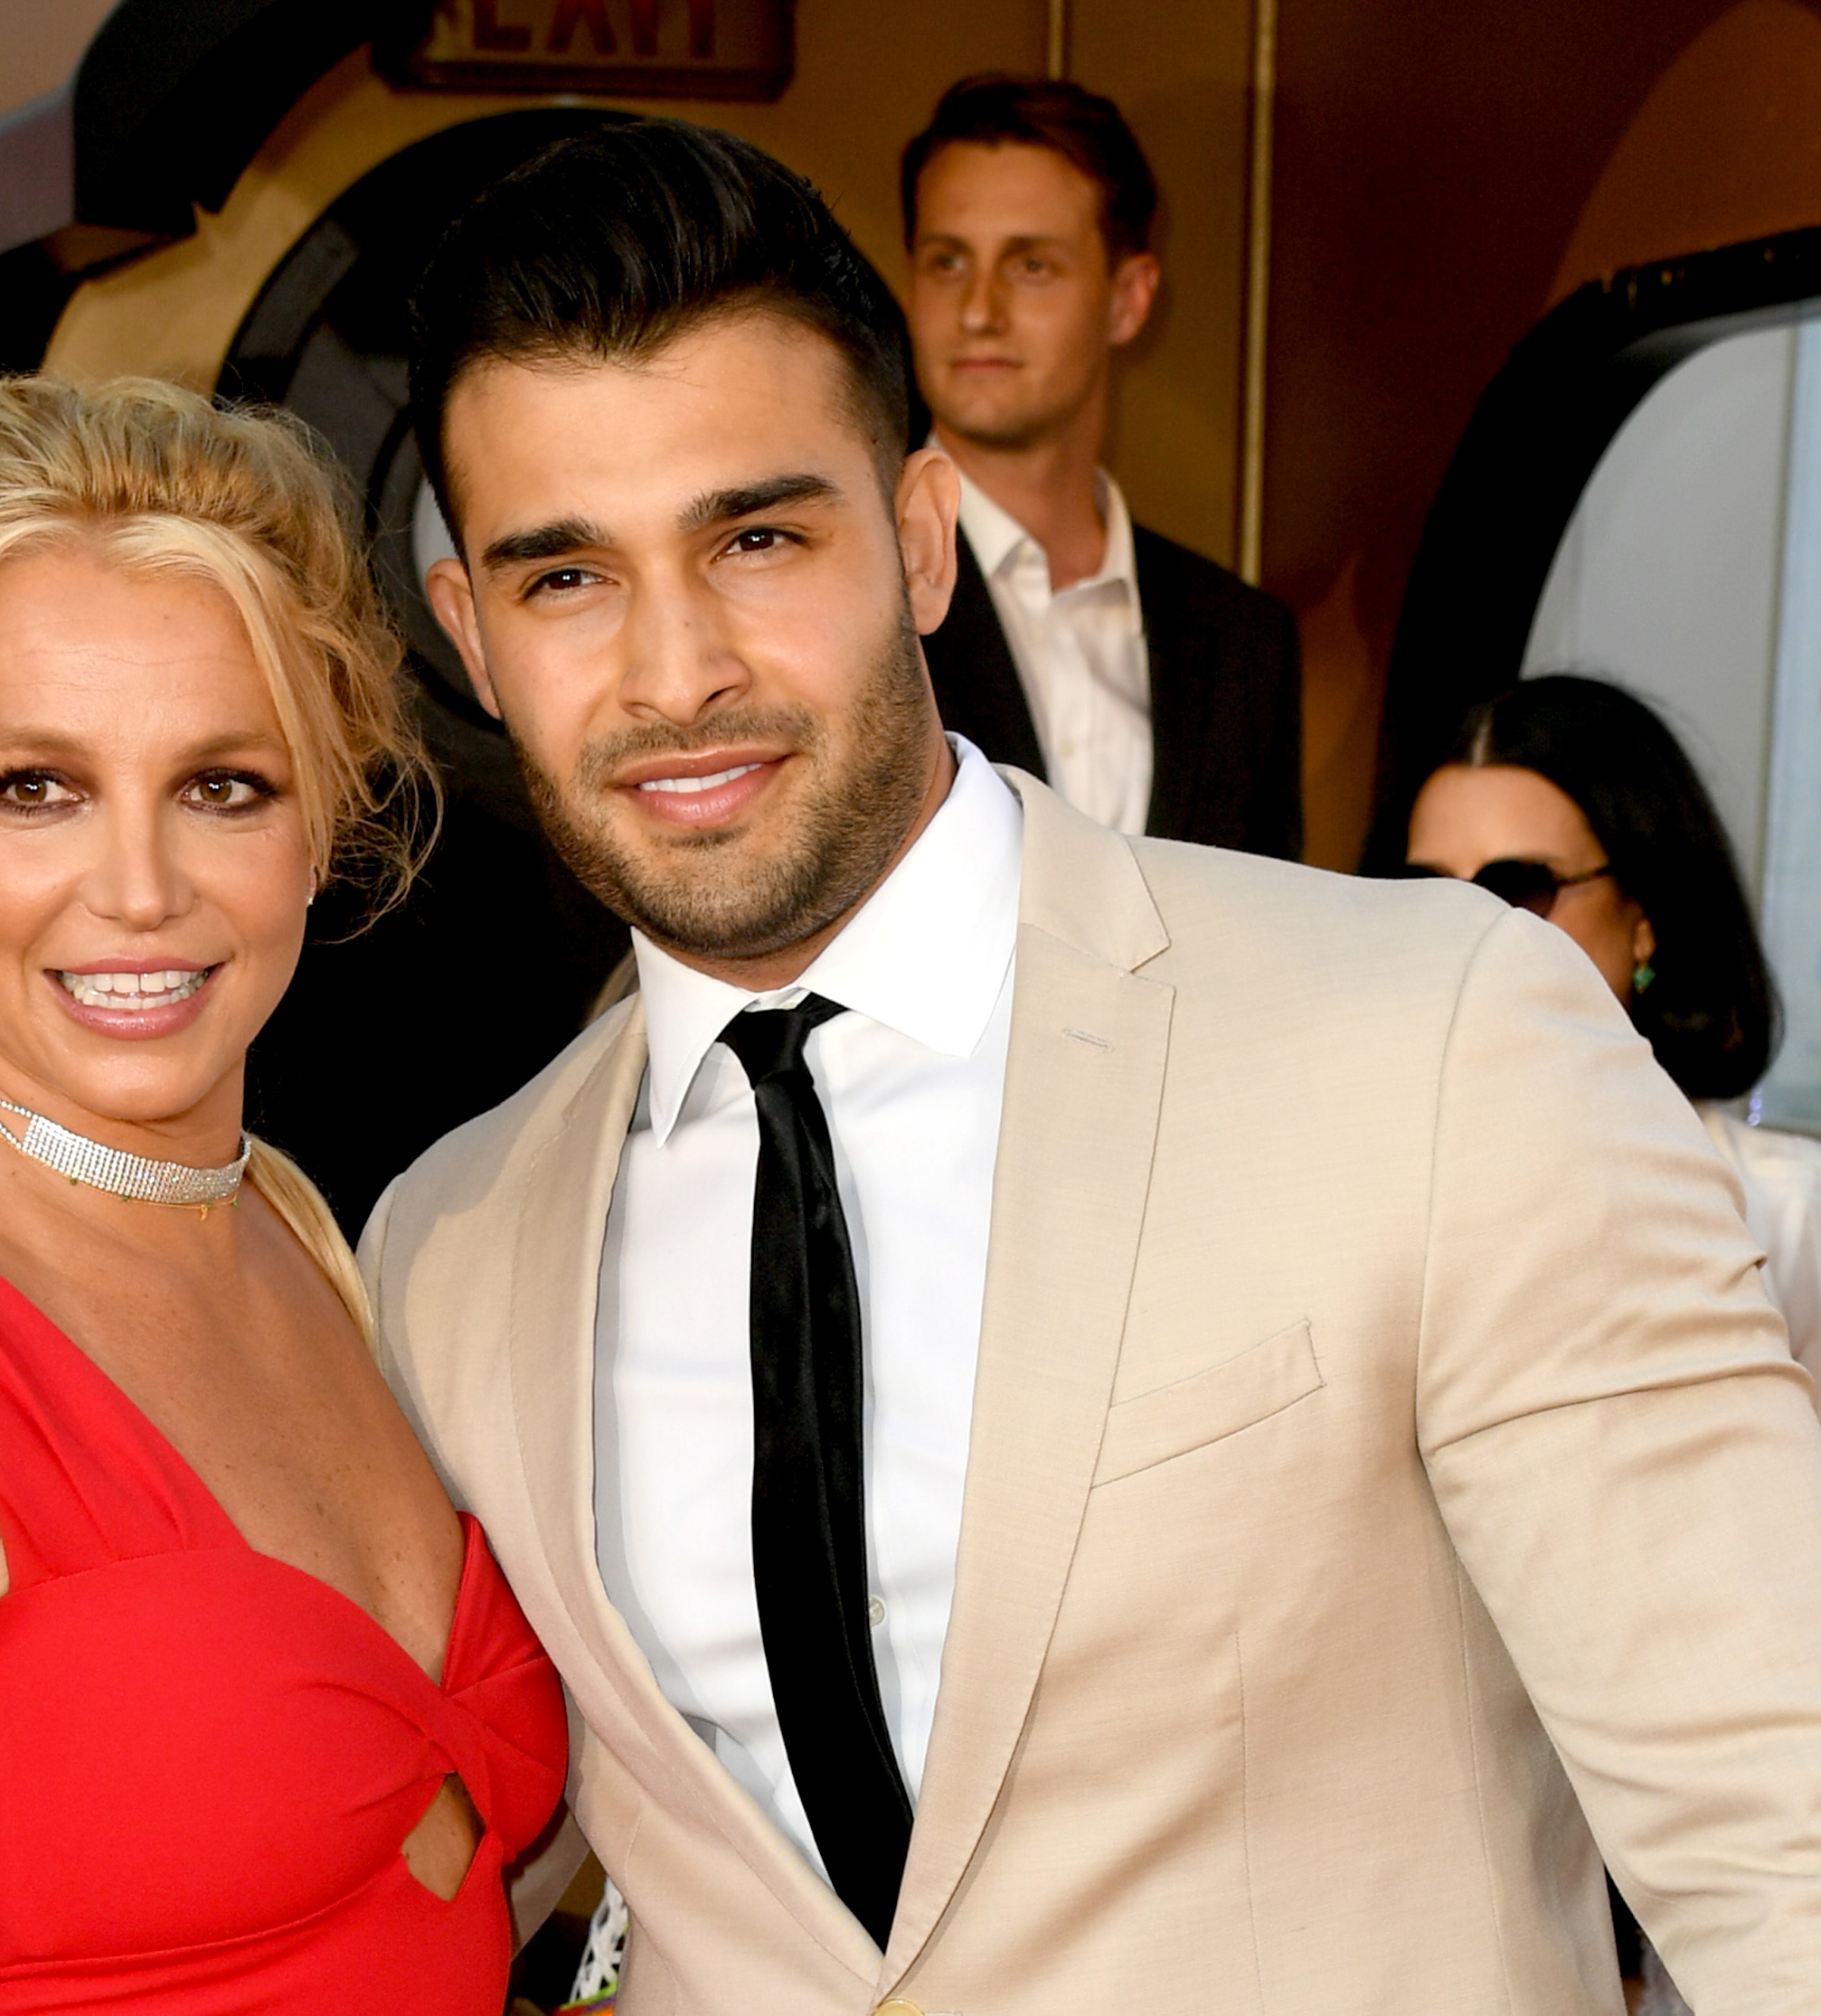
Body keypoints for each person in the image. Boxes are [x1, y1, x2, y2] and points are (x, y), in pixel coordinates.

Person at [373, 117, 1821, 2013]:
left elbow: (1773, 1827)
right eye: (567, 578)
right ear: (473, 633)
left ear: (914, 540)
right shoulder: (450, 1244)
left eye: (756, 536)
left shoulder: (1438, 1039)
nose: (675, 668)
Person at [0, 376, 569, 2014]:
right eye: (35, 788)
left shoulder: (311, 1247)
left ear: (325, 807)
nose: (137, 891)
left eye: (222, 786)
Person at [900, 74, 1303, 858]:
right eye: (947, 262)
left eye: (1031, 266)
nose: (979, 310)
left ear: (1130, 298)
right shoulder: (847, 590)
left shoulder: (1243, 643)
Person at [1406, 674, 1820, 1382]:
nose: (1464, 927)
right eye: (1428, 891)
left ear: (1645, 916)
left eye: (1520, 889)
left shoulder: (1794, 1214)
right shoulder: (1366, 1188)